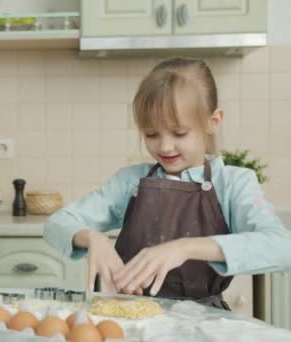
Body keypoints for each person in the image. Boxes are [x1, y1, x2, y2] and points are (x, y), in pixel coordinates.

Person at [44, 57, 291, 309]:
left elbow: (283, 248)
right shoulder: (131, 182)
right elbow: (57, 223)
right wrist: (93, 238)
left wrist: (185, 248)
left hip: (205, 323)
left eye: (179, 133)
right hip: (133, 317)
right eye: (151, 134)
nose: (164, 146)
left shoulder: (233, 183)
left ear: (212, 121)